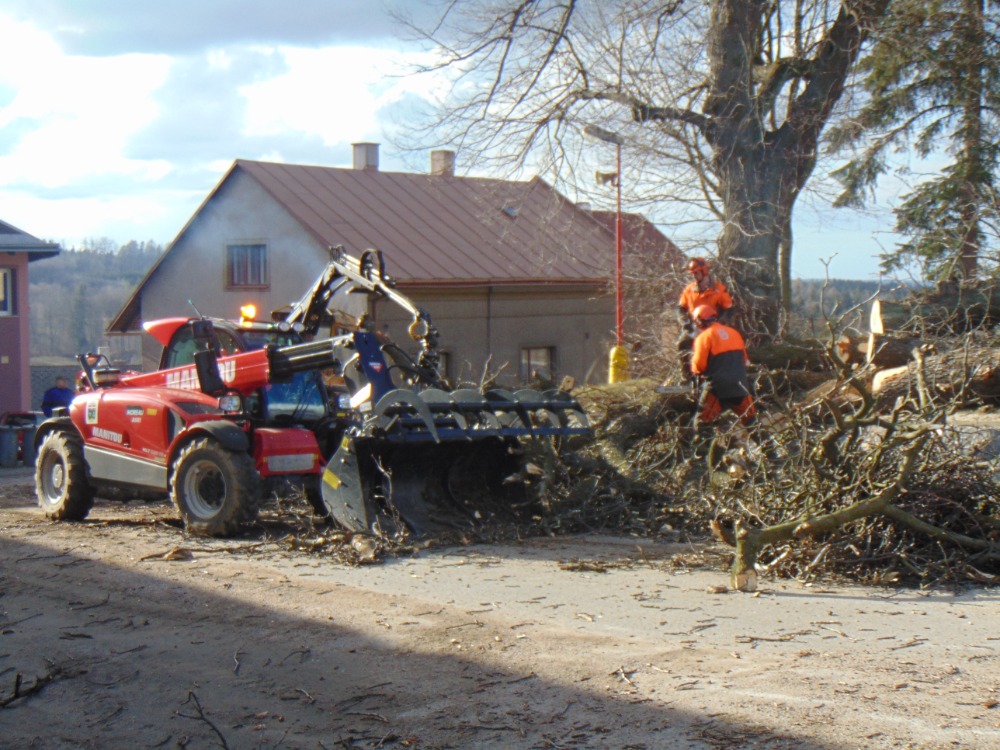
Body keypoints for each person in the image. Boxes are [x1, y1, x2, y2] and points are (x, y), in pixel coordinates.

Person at [689, 304, 755, 428]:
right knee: (752, 423)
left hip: (717, 388)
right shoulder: (734, 333)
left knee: (702, 423)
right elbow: (745, 361)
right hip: (740, 385)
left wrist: (696, 373)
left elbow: (698, 366)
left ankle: (704, 440)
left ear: (699, 321)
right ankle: (765, 441)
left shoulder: (703, 337)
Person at [676, 257, 734, 381]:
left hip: (711, 327)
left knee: (716, 351)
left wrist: (719, 323)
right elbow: (680, 308)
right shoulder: (689, 289)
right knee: (683, 344)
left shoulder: (718, 289)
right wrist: (686, 323)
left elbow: (729, 309)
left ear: (704, 271)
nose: (694, 276)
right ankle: (687, 378)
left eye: (696, 272)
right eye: (693, 273)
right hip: (694, 326)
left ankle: (717, 376)